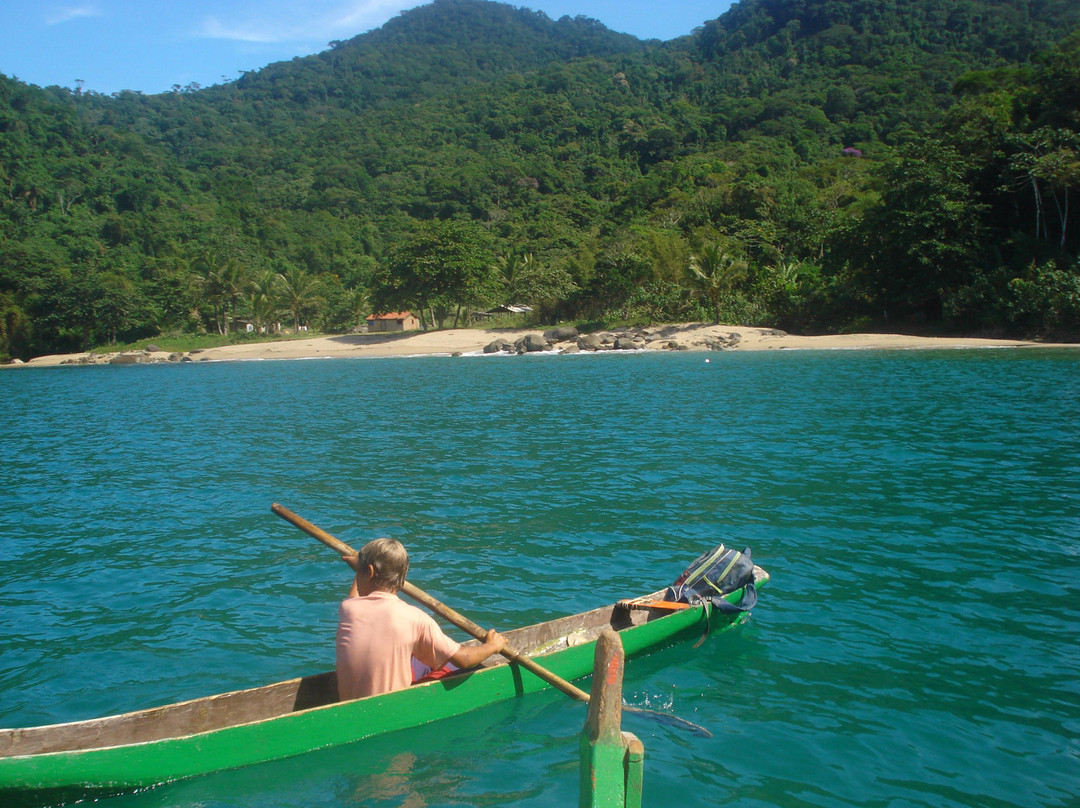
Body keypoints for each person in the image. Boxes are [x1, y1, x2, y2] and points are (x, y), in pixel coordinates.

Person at [336, 537, 507, 701]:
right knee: (451, 664)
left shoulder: (348, 609)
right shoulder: (415, 618)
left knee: (414, 657)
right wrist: (492, 646)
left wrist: (360, 570)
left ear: (370, 572)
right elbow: (464, 659)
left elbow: (356, 593)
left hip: (349, 703)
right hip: (390, 709)